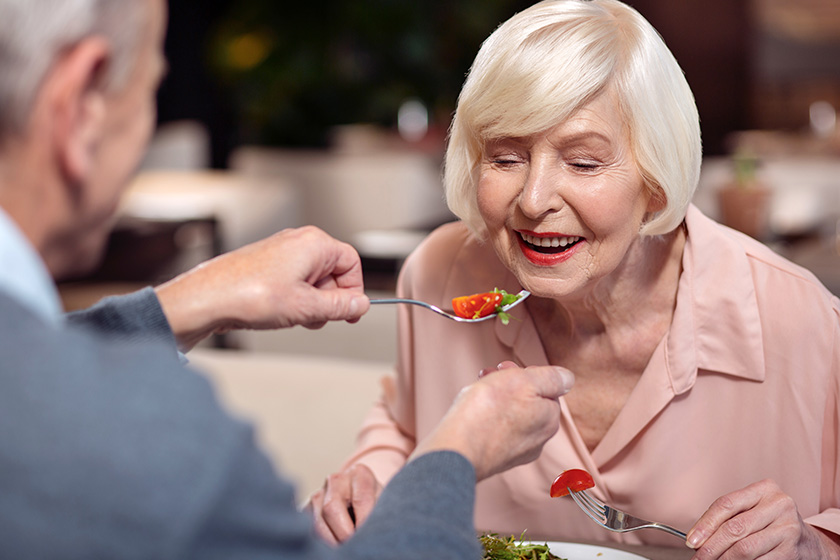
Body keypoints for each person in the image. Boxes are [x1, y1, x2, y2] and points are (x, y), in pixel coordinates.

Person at [0, 0, 576, 558]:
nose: (536, 198)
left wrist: (190, 299)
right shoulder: (164, 443)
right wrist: (455, 454)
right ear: (80, 106)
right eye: (151, 89)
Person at [310, 1, 840, 558]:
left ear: (656, 180)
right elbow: (405, 426)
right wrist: (366, 479)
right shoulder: (440, 274)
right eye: (506, 157)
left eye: (584, 163)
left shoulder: (800, 320)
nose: (534, 201)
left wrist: (818, 544)